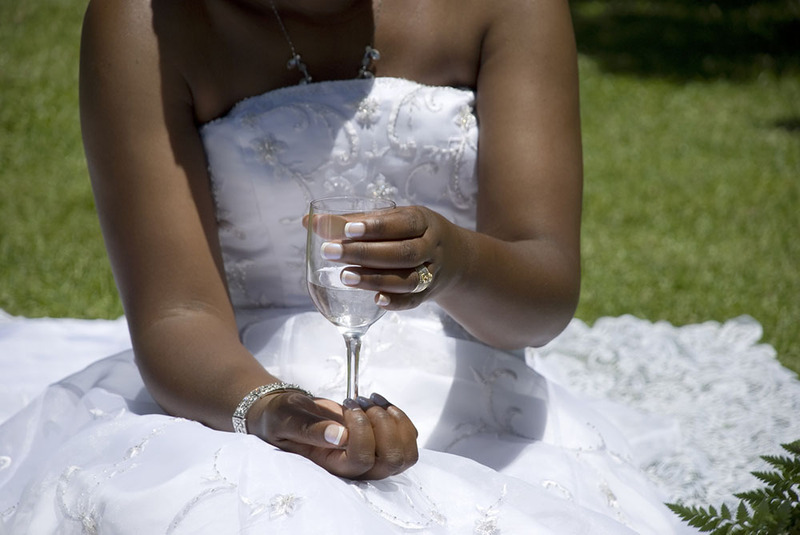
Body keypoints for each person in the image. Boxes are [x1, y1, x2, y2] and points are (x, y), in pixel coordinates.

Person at [2, 0, 797, 533]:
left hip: (472, 397)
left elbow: (544, 293)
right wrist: (273, 412)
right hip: (227, 381)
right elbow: (178, 314)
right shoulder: (145, 22)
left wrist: (452, 262)